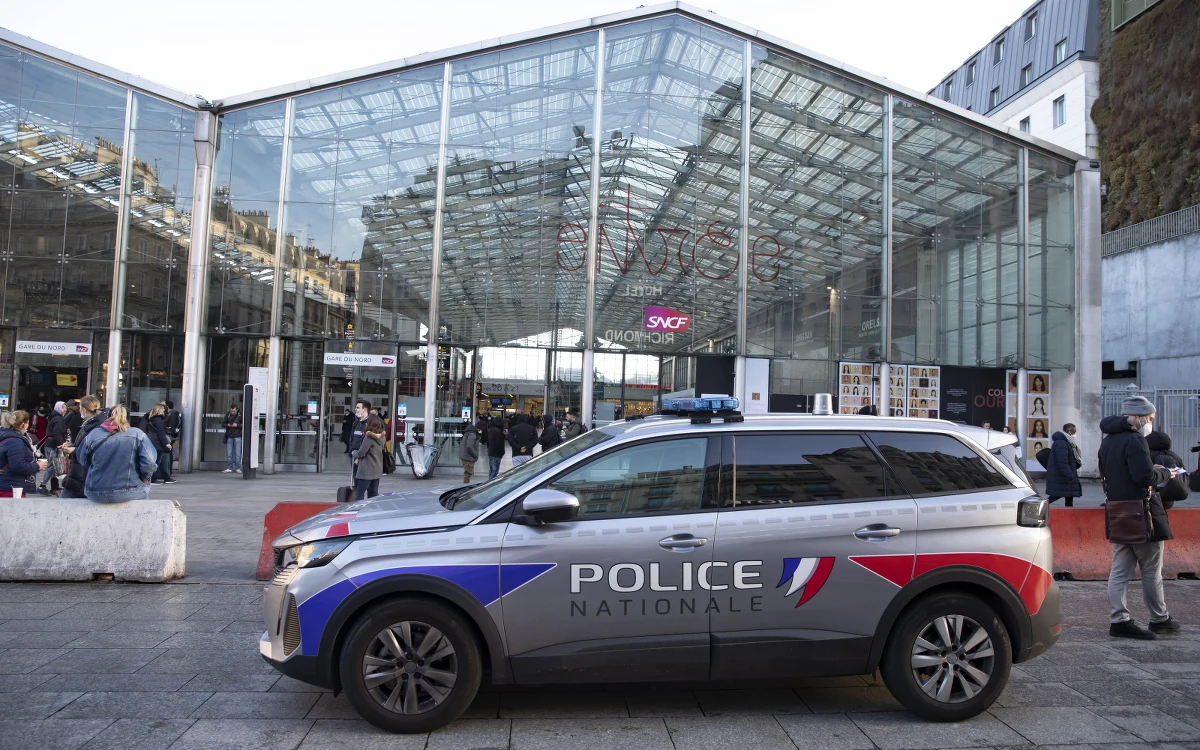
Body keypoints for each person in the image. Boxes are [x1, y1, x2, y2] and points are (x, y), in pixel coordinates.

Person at [1099, 396, 1180, 640]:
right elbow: (1143, 477)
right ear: (1138, 416)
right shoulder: (1135, 439)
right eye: (1150, 419)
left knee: (1120, 570)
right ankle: (1159, 619)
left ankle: (1119, 620)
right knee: (1151, 570)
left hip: (1117, 512)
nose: (1151, 423)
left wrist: (1149, 470)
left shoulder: (1108, 440)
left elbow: (1114, 473)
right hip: (1142, 514)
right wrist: (1166, 473)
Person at [75, 404, 158, 503]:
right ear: (128, 419)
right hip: (131, 491)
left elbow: (82, 458)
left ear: (108, 417)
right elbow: (150, 463)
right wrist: (144, 477)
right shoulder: (138, 435)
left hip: (96, 491)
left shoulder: (94, 434)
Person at [59, 395, 108, 499]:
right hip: (80, 475)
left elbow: (96, 450)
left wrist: (75, 450)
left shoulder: (96, 426)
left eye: (80, 407)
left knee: (63, 506)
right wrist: (73, 446)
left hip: (83, 476)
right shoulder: (92, 424)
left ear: (84, 410)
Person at [0, 411, 48, 497]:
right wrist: (37, 466)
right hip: (10, 488)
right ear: (23, 424)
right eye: (28, 423)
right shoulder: (15, 441)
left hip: (8, 485)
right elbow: (17, 466)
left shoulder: (6, 436)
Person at [1046, 423, 1082, 507]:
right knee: (1056, 495)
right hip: (1062, 476)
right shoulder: (1062, 443)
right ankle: (1039, 507)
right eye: (1074, 431)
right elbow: (1062, 462)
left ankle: (1070, 515)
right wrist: (1070, 475)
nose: (1075, 434)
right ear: (1069, 432)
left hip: (1064, 475)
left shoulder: (1067, 442)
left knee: (1069, 496)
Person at [352, 414, 386, 500]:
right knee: (373, 494)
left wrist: (354, 452)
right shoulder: (382, 436)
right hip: (377, 468)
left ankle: (359, 512)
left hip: (367, 469)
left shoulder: (369, 437)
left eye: (367, 422)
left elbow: (361, 453)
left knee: (359, 494)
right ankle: (372, 511)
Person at [38, 401, 69, 495]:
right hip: (53, 444)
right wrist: (62, 444)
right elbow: (57, 433)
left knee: (53, 466)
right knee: (52, 466)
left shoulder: (54, 417)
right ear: (58, 408)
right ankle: (42, 486)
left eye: (65, 407)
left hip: (50, 443)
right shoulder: (58, 419)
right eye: (62, 407)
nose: (65, 409)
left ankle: (54, 486)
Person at [145, 403, 175, 484]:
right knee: (156, 461)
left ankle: (165, 477)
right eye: (162, 409)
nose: (164, 410)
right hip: (157, 442)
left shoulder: (152, 418)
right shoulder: (158, 420)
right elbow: (160, 432)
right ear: (158, 410)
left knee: (159, 461)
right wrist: (166, 443)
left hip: (153, 441)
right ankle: (152, 479)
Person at [222, 403, 242, 473]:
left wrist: (236, 425)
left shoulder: (240, 415)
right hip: (229, 436)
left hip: (237, 436)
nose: (232, 412)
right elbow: (223, 424)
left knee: (237, 453)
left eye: (234, 411)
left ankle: (238, 467)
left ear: (237, 410)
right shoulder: (228, 415)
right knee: (229, 453)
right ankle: (229, 467)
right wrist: (227, 425)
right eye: (231, 411)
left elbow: (244, 425)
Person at [458, 420, 480, 484]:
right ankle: (465, 488)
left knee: (467, 474)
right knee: (467, 474)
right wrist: (475, 454)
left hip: (466, 456)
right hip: (468, 457)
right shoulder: (472, 434)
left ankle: (465, 486)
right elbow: (469, 446)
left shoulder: (468, 433)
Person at [164, 400, 182, 468]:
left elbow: (172, 427)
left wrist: (170, 434)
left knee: (169, 453)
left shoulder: (172, 415)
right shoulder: (172, 414)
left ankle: (169, 468)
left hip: (169, 436)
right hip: (170, 436)